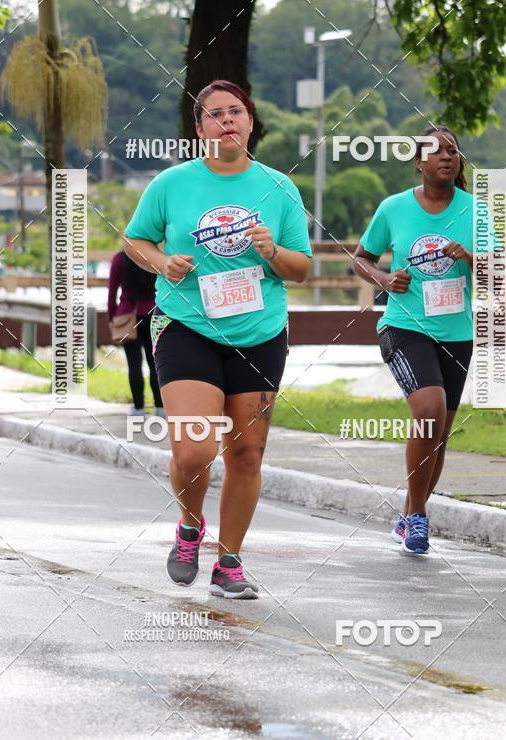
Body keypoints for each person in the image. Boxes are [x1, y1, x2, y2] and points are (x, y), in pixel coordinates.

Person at [123, 80, 312, 599]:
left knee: (246, 453)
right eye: (215, 114)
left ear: (250, 121)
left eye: (236, 111)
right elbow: (135, 239)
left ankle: (229, 563)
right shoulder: (172, 183)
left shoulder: (279, 188)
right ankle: (190, 526)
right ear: (199, 127)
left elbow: (300, 269)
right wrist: (163, 261)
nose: (227, 120)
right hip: (187, 326)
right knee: (194, 451)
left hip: (260, 332)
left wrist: (272, 252)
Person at [353, 127, 474, 555]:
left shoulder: (476, 211)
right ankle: (419, 516)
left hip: (457, 333)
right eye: (436, 151)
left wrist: (469, 257)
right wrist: (385, 279)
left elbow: (500, 272)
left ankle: (408, 516)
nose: (446, 156)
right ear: (419, 163)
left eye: (453, 150)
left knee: (439, 432)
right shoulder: (394, 208)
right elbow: (361, 259)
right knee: (429, 411)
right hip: (405, 327)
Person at [107, 249, 163, 416]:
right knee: (155, 364)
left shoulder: (119, 259)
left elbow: (112, 293)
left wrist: (111, 318)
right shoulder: (154, 256)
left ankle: (138, 408)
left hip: (128, 317)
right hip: (153, 314)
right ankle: (160, 407)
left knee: (134, 364)